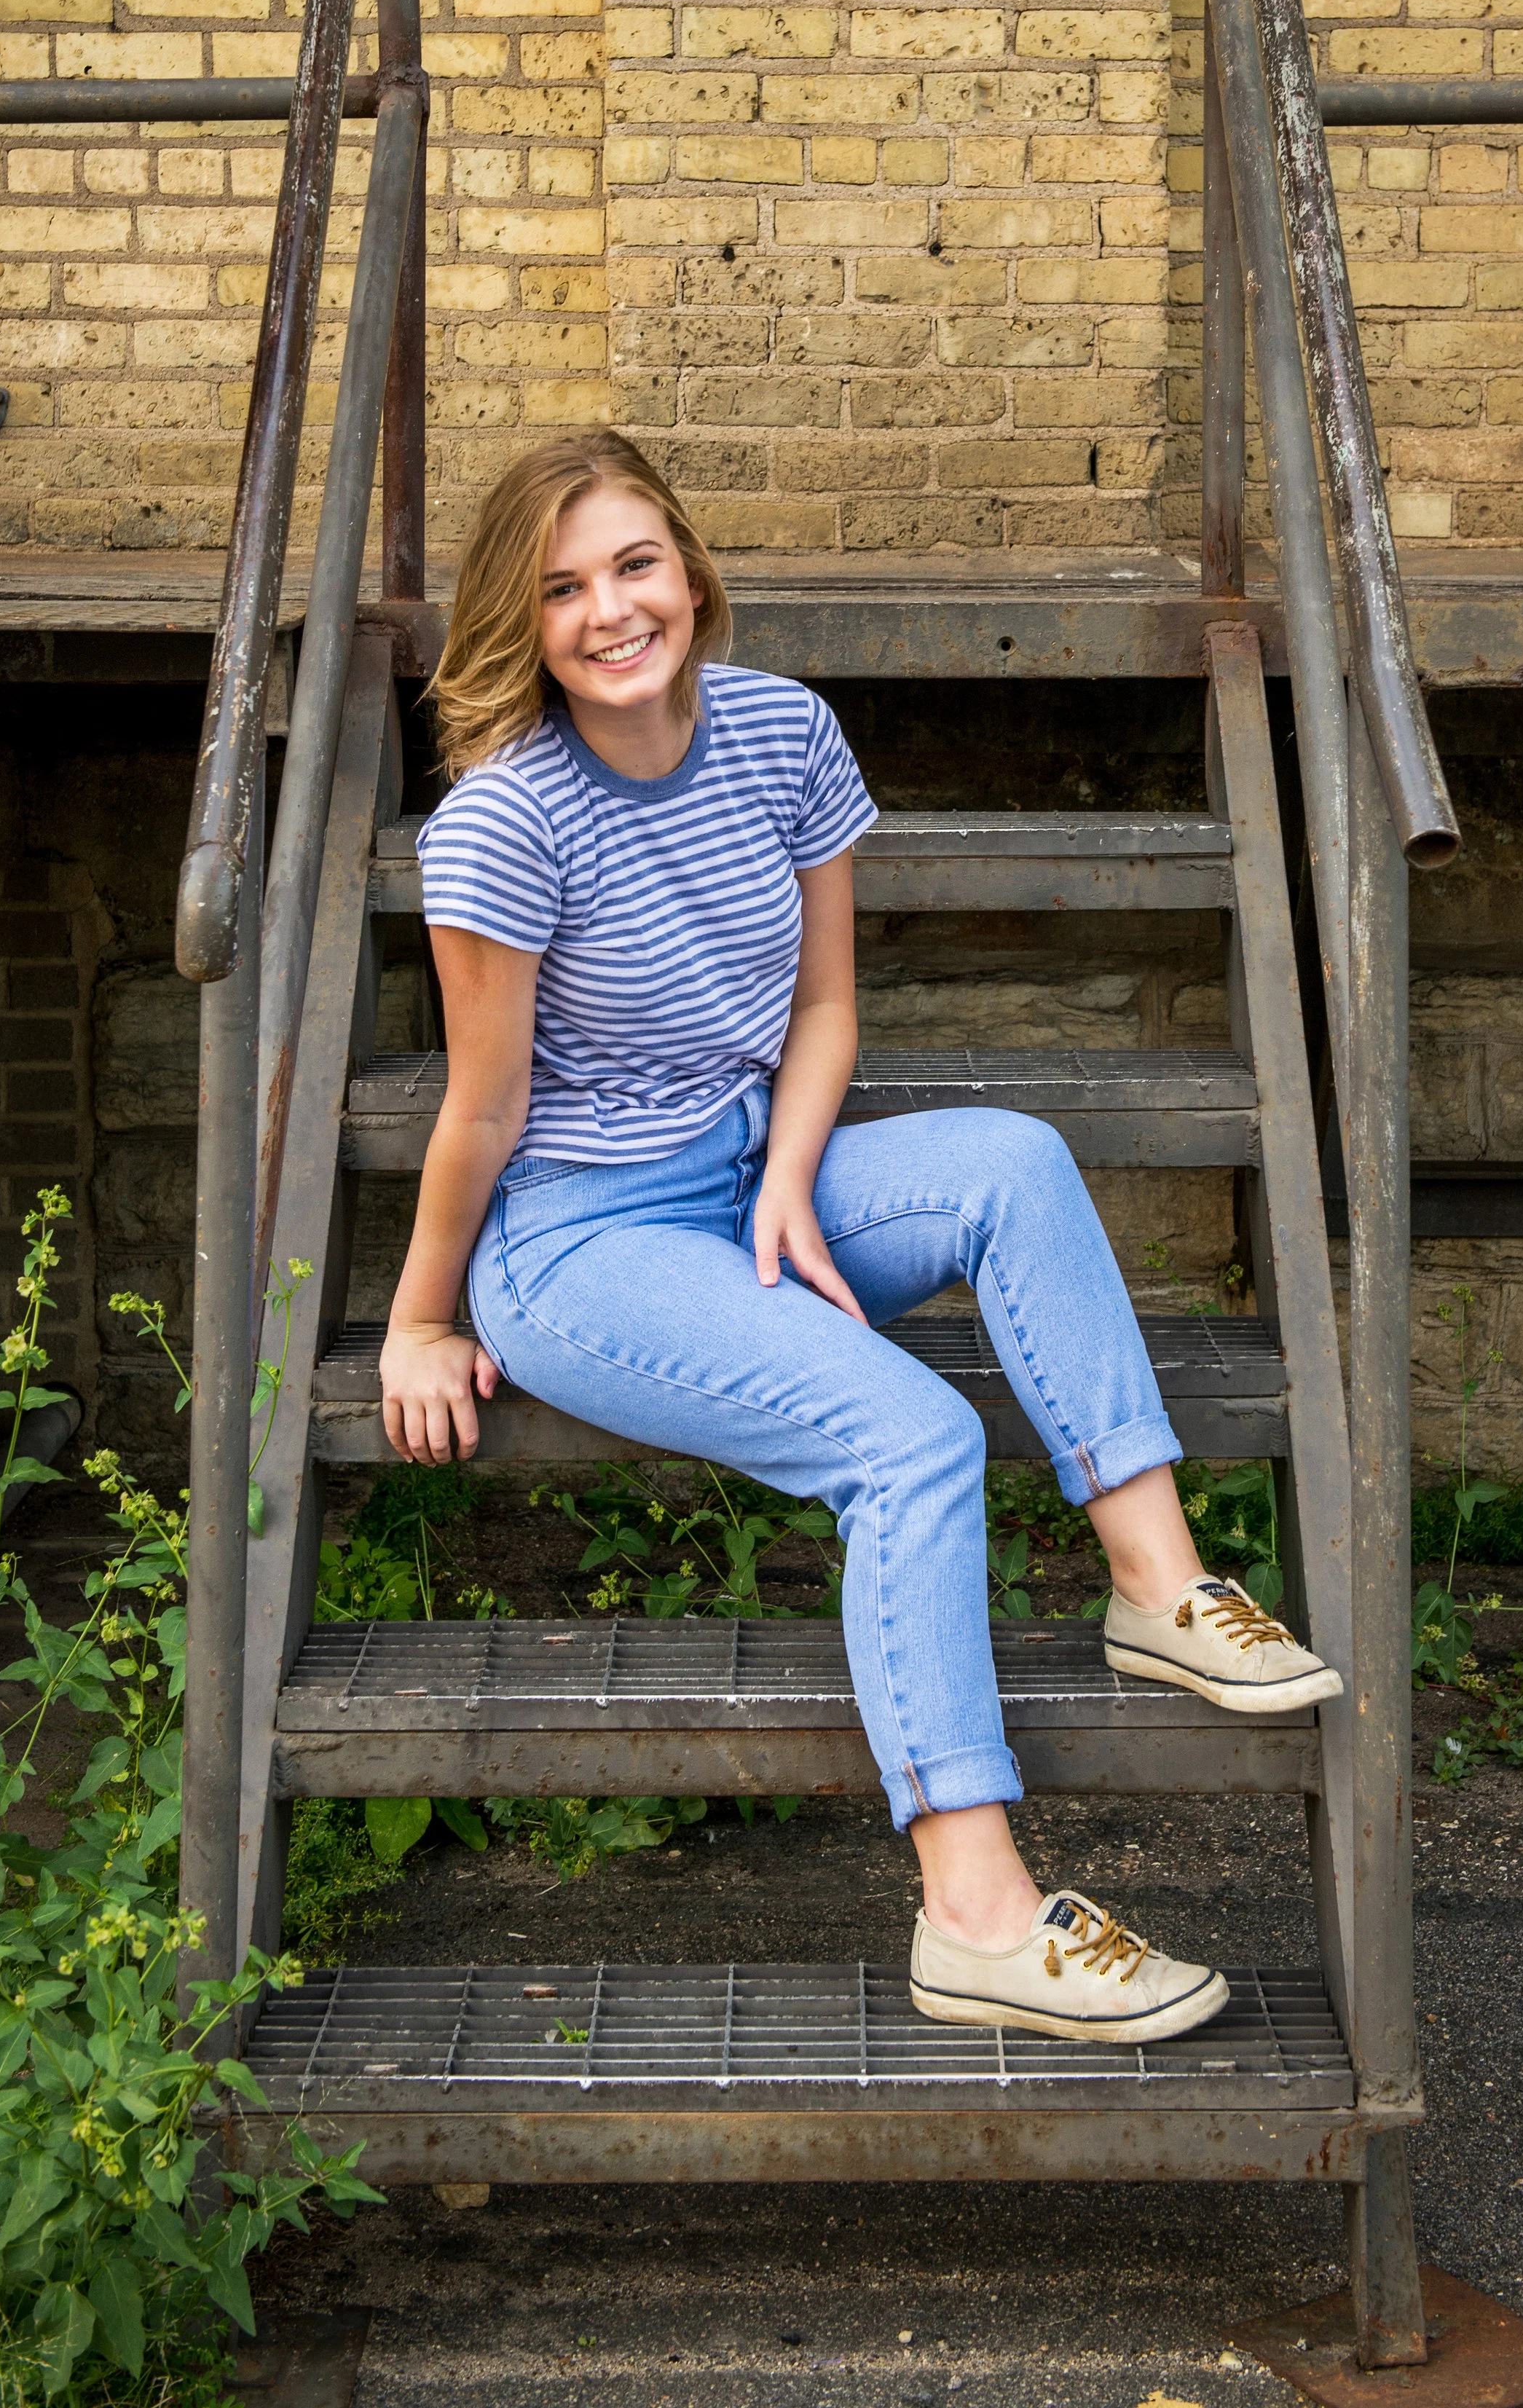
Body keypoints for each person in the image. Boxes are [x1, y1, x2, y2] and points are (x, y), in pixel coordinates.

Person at [379, 430, 1342, 2046]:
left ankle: (1156, 1585)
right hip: (581, 1244)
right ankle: (972, 1912)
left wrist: (784, 1175)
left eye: (632, 565)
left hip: (752, 1165)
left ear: (687, 566)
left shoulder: (778, 732)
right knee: (911, 1435)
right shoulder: (502, 825)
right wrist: (418, 1322)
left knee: (1011, 1163)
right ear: (517, 622)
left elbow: (824, 1003)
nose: (610, 612)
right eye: (559, 590)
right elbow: (479, 1112)